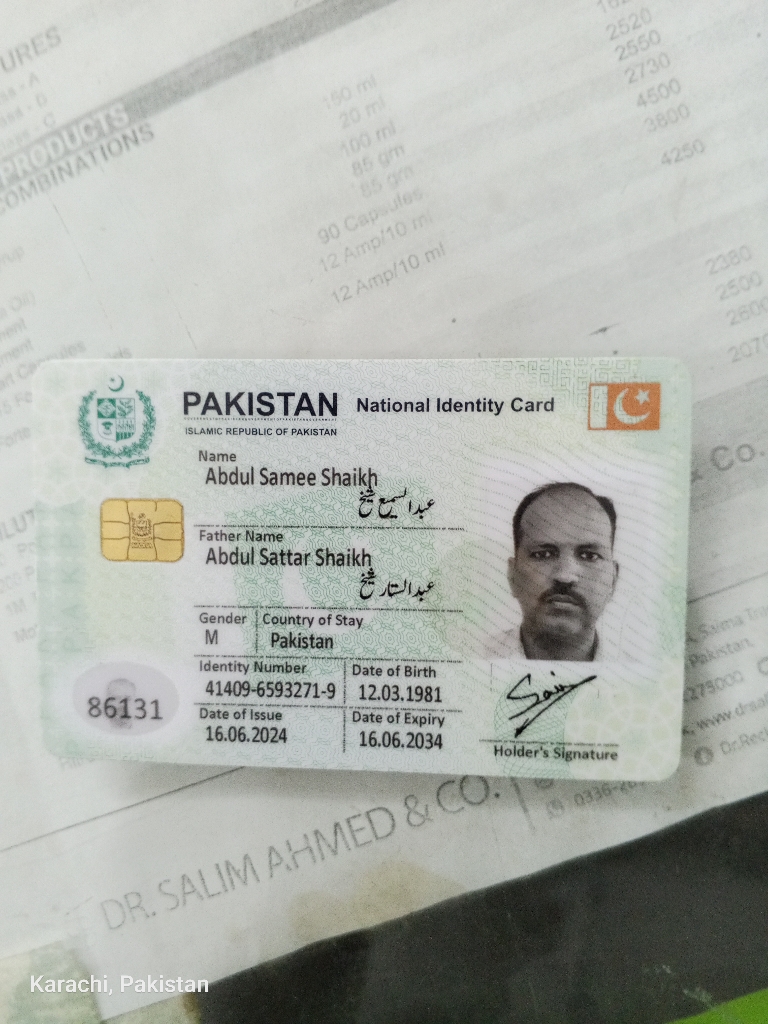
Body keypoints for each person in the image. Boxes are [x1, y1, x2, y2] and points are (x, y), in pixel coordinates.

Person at [484, 482, 618, 661]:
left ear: (613, 580)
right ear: (513, 576)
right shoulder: (473, 659)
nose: (565, 576)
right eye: (543, 554)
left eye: (589, 556)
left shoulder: (642, 671)